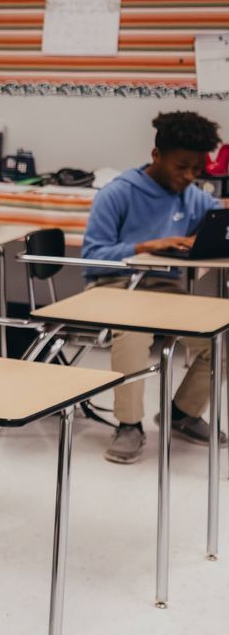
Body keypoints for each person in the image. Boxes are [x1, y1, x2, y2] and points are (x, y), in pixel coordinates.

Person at [80, 110, 226, 464]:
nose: (190, 176)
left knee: (221, 335)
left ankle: (181, 414)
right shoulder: (118, 194)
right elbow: (92, 255)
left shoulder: (192, 195)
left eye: (197, 169)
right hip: (113, 286)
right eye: (182, 166)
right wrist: (147, 246)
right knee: (133, 332)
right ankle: (129, 425)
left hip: (163, 290)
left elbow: (218, 215)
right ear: (156, 155)